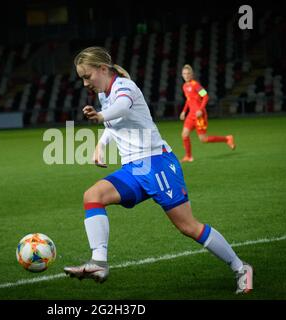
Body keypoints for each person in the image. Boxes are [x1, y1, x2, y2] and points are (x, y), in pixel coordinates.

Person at [63, 47, 253, 294]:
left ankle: (241, 267)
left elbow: (120, 108)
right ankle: (99, 263)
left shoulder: (125, 87)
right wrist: (100, 145)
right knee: (93, 196)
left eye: (87, 76)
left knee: (188, 227)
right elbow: (114, 123)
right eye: (82, 78)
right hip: (134, 168)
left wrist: (100, 116)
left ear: (103, 69)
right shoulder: (104, 95)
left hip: (158, 164)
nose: (85, 82)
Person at [179, 64, 236, 163]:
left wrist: (200, 109)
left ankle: (227, 138)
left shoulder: (195, 85)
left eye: (188, 73)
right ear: (182, 75)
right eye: (184, 74)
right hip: (191, 115)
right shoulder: (185, 86)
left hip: (199, 115)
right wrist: (184, 111)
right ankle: (188, 156)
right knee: (184, 134)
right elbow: (188, 100)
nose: (186, 75)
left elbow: (205, 96)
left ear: (191, 74)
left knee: (203, 139)